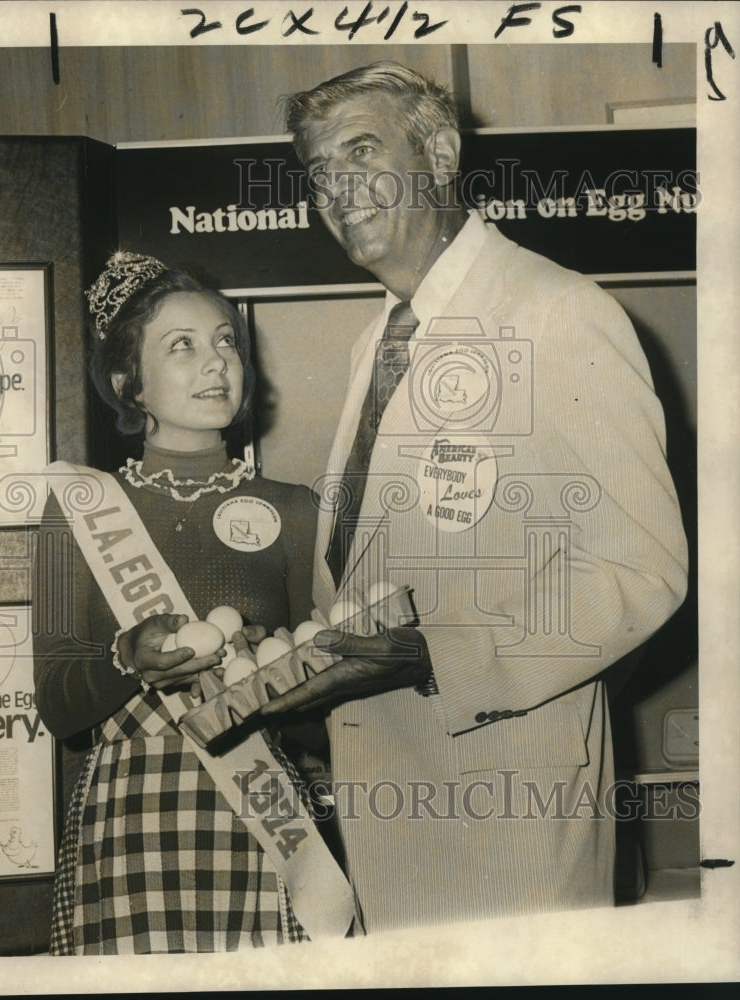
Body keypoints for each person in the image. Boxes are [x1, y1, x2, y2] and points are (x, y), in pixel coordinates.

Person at [258, 62, 690, 931]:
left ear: (442, 151)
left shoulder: (558, 312)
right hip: (383, 811)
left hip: (511, 815)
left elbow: (643, 573)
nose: (337, 190)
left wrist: (435, 655)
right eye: (318, 172)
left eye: (361, 152)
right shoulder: (371, 342)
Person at [33, 252, 340, 953]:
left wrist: (278, 680)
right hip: (128, 822)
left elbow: (325, 729)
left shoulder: (295, 511)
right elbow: (57, 708)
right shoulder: (75, 510)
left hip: (262, 817)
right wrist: (126, 659)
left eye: (226, 340)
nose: (215, 362)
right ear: (126, 382)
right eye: (183, 346)